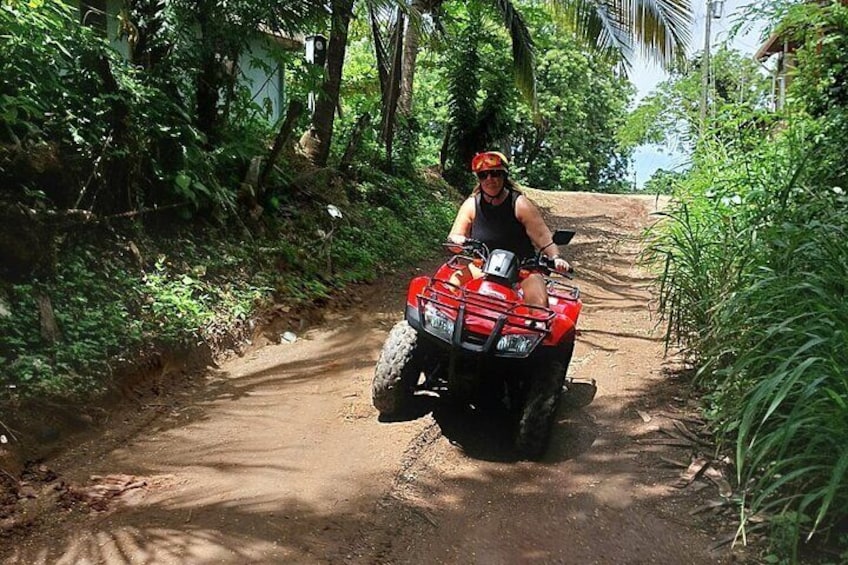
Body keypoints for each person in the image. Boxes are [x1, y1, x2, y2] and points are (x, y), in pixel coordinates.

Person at [447, 151, 571, 308]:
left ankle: (530, 331)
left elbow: (543, 237)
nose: (489, 179)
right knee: (448, 290)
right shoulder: (471, 204)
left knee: (539, 305)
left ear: (504, 176)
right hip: (482, 266)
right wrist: (457, 241)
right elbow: (454, 238)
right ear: (479, 179)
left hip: (523, 271)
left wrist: (555, 257)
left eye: (495, 174)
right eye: (483, 175)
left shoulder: (520, 203)